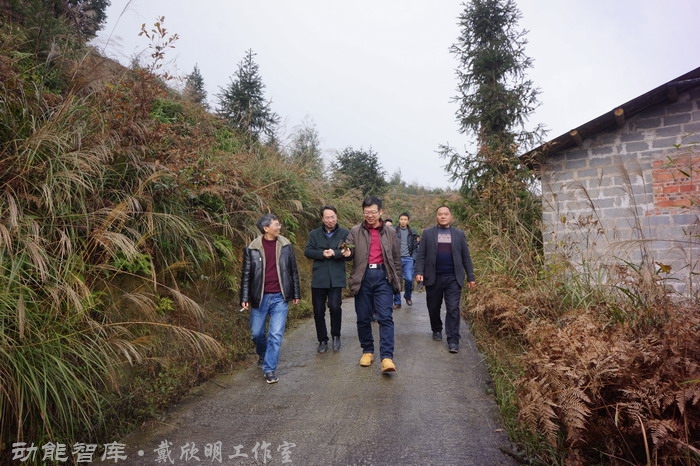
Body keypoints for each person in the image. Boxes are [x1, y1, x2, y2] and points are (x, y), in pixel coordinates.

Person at [342, 196, 402, 373]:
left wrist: (397, 282)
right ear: (363, 213)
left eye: (373, 212)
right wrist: (347, 252)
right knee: (363, 317)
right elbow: (348, 249)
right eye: (366, 212)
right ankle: (367, 351)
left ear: (380, 212)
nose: (370, 215)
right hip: (363, 277)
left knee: (385, 317)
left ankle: (387, 357)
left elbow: (396, 259)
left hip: (384, 276)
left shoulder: (390, 232)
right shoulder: (355, 231)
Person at [240, 213, 301, 384]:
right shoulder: (252, 248)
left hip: (279, 297)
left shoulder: (286, 246)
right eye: (276, 225)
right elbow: (246, 275)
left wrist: (296, 293)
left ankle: (269, 369)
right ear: (266, 228)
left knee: (275, 334)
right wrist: (244, 297)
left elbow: (293, 271)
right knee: (256, 333)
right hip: (259, 298)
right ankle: (263, 354)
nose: (279, 227)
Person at [415, 205, 476, 354]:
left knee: (453, 308)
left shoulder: (459, 234)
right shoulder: (428, 233)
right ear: (436, 216)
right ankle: (436, 328)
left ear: (451, 216)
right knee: (433, 307)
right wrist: (419, 272)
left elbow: (466, 257)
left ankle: (453, 339)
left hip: (453, 278)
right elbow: (421, 255)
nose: (443, 216)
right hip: (433, 277)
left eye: (446, 214)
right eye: (440, 214)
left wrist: (471, 277)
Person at [304, 205, 349, 353]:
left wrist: (335, 253)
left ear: (336, 217)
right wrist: (322, 253)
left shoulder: (344, 233)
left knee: (335, 307)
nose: (330, 220)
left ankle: (336, 335)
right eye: (327, 217)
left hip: (336, 277)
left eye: (332, 217)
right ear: (322, 219)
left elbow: (349, 251)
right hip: (319, 278)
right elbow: (308, 251)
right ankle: (322, 339)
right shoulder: (314, 234)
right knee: (318, 311)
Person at [395, 213, 419, 307]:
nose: (403, 221)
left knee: (409, 279)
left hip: (408, 259)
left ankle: (407, 296)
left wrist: (413, 258)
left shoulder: (412, 233)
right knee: (396, 280)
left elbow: (416, 247)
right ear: (399, 220)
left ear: (408, 221)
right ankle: (397, 302)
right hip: (397, 258)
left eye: (405, 219)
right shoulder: (394, 231)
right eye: (401, 219)